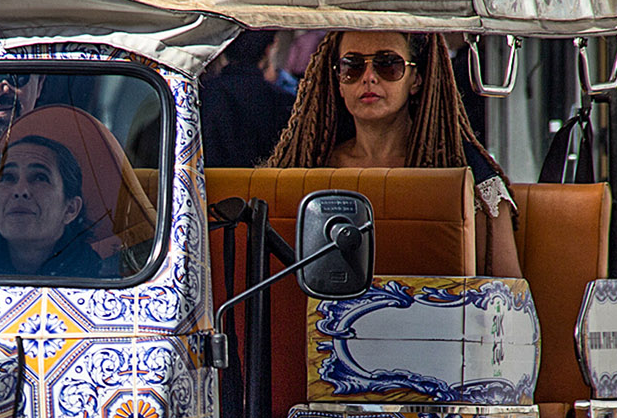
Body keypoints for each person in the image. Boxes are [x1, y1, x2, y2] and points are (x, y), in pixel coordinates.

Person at [266, 30, 524, 278]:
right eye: (352, 66)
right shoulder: (308, 168)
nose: (368, 77)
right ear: (338, 83)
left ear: (416, 78)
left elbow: (507, 294)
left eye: (388, 64)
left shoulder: (468, 172)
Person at [0, 136, 112, 278]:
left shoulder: (111, 289)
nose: (20, 191)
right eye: (8, 177)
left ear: (70, 209)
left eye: (40, 178)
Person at [200, 30, 295, 169]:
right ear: (268, 50)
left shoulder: (202, 94)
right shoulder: (282, 101)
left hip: (209, 187)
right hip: (265, 187)